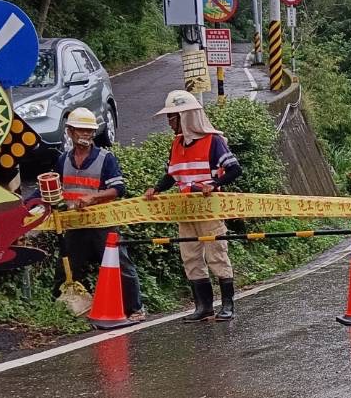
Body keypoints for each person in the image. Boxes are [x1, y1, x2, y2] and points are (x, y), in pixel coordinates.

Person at [143, 90, 242, 321]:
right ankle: (203, 306)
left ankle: (227, 306)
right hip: (185, 211)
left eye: (172, 117)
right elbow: (172, 175)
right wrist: (156, 188)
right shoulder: (177, 143)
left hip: (208, 210)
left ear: (186, 116)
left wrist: (215, 183)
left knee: (216, 254)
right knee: (190, 256)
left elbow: (235, 169)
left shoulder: (213, 141)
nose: (169, 122)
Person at [53, 107, 143, 320]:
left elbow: (119, 188)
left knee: (120, 264)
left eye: (89, 131)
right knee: (67, 267)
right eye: (80, 131)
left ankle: (136, 309)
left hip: (103, 223)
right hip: (76, 224)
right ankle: (66, 309)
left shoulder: (105, 158)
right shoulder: (63, 160)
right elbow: (54, 188)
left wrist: (94, 198)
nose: (85, 135)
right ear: (70, 132)